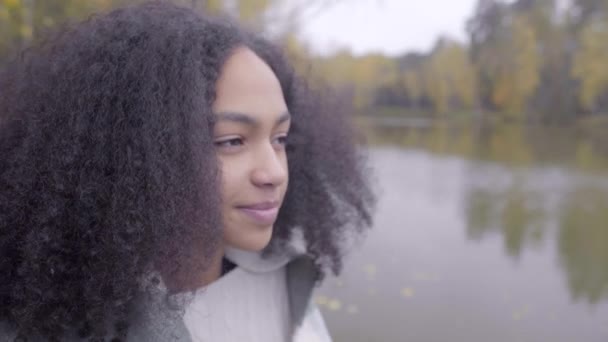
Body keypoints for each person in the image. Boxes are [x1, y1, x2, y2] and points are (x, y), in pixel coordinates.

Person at [0, 1, 375, 341]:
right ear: (135, 153)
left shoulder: (287, 279)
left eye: (280, 138)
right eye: (231, 141)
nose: (274, 173)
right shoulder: (53, 326)